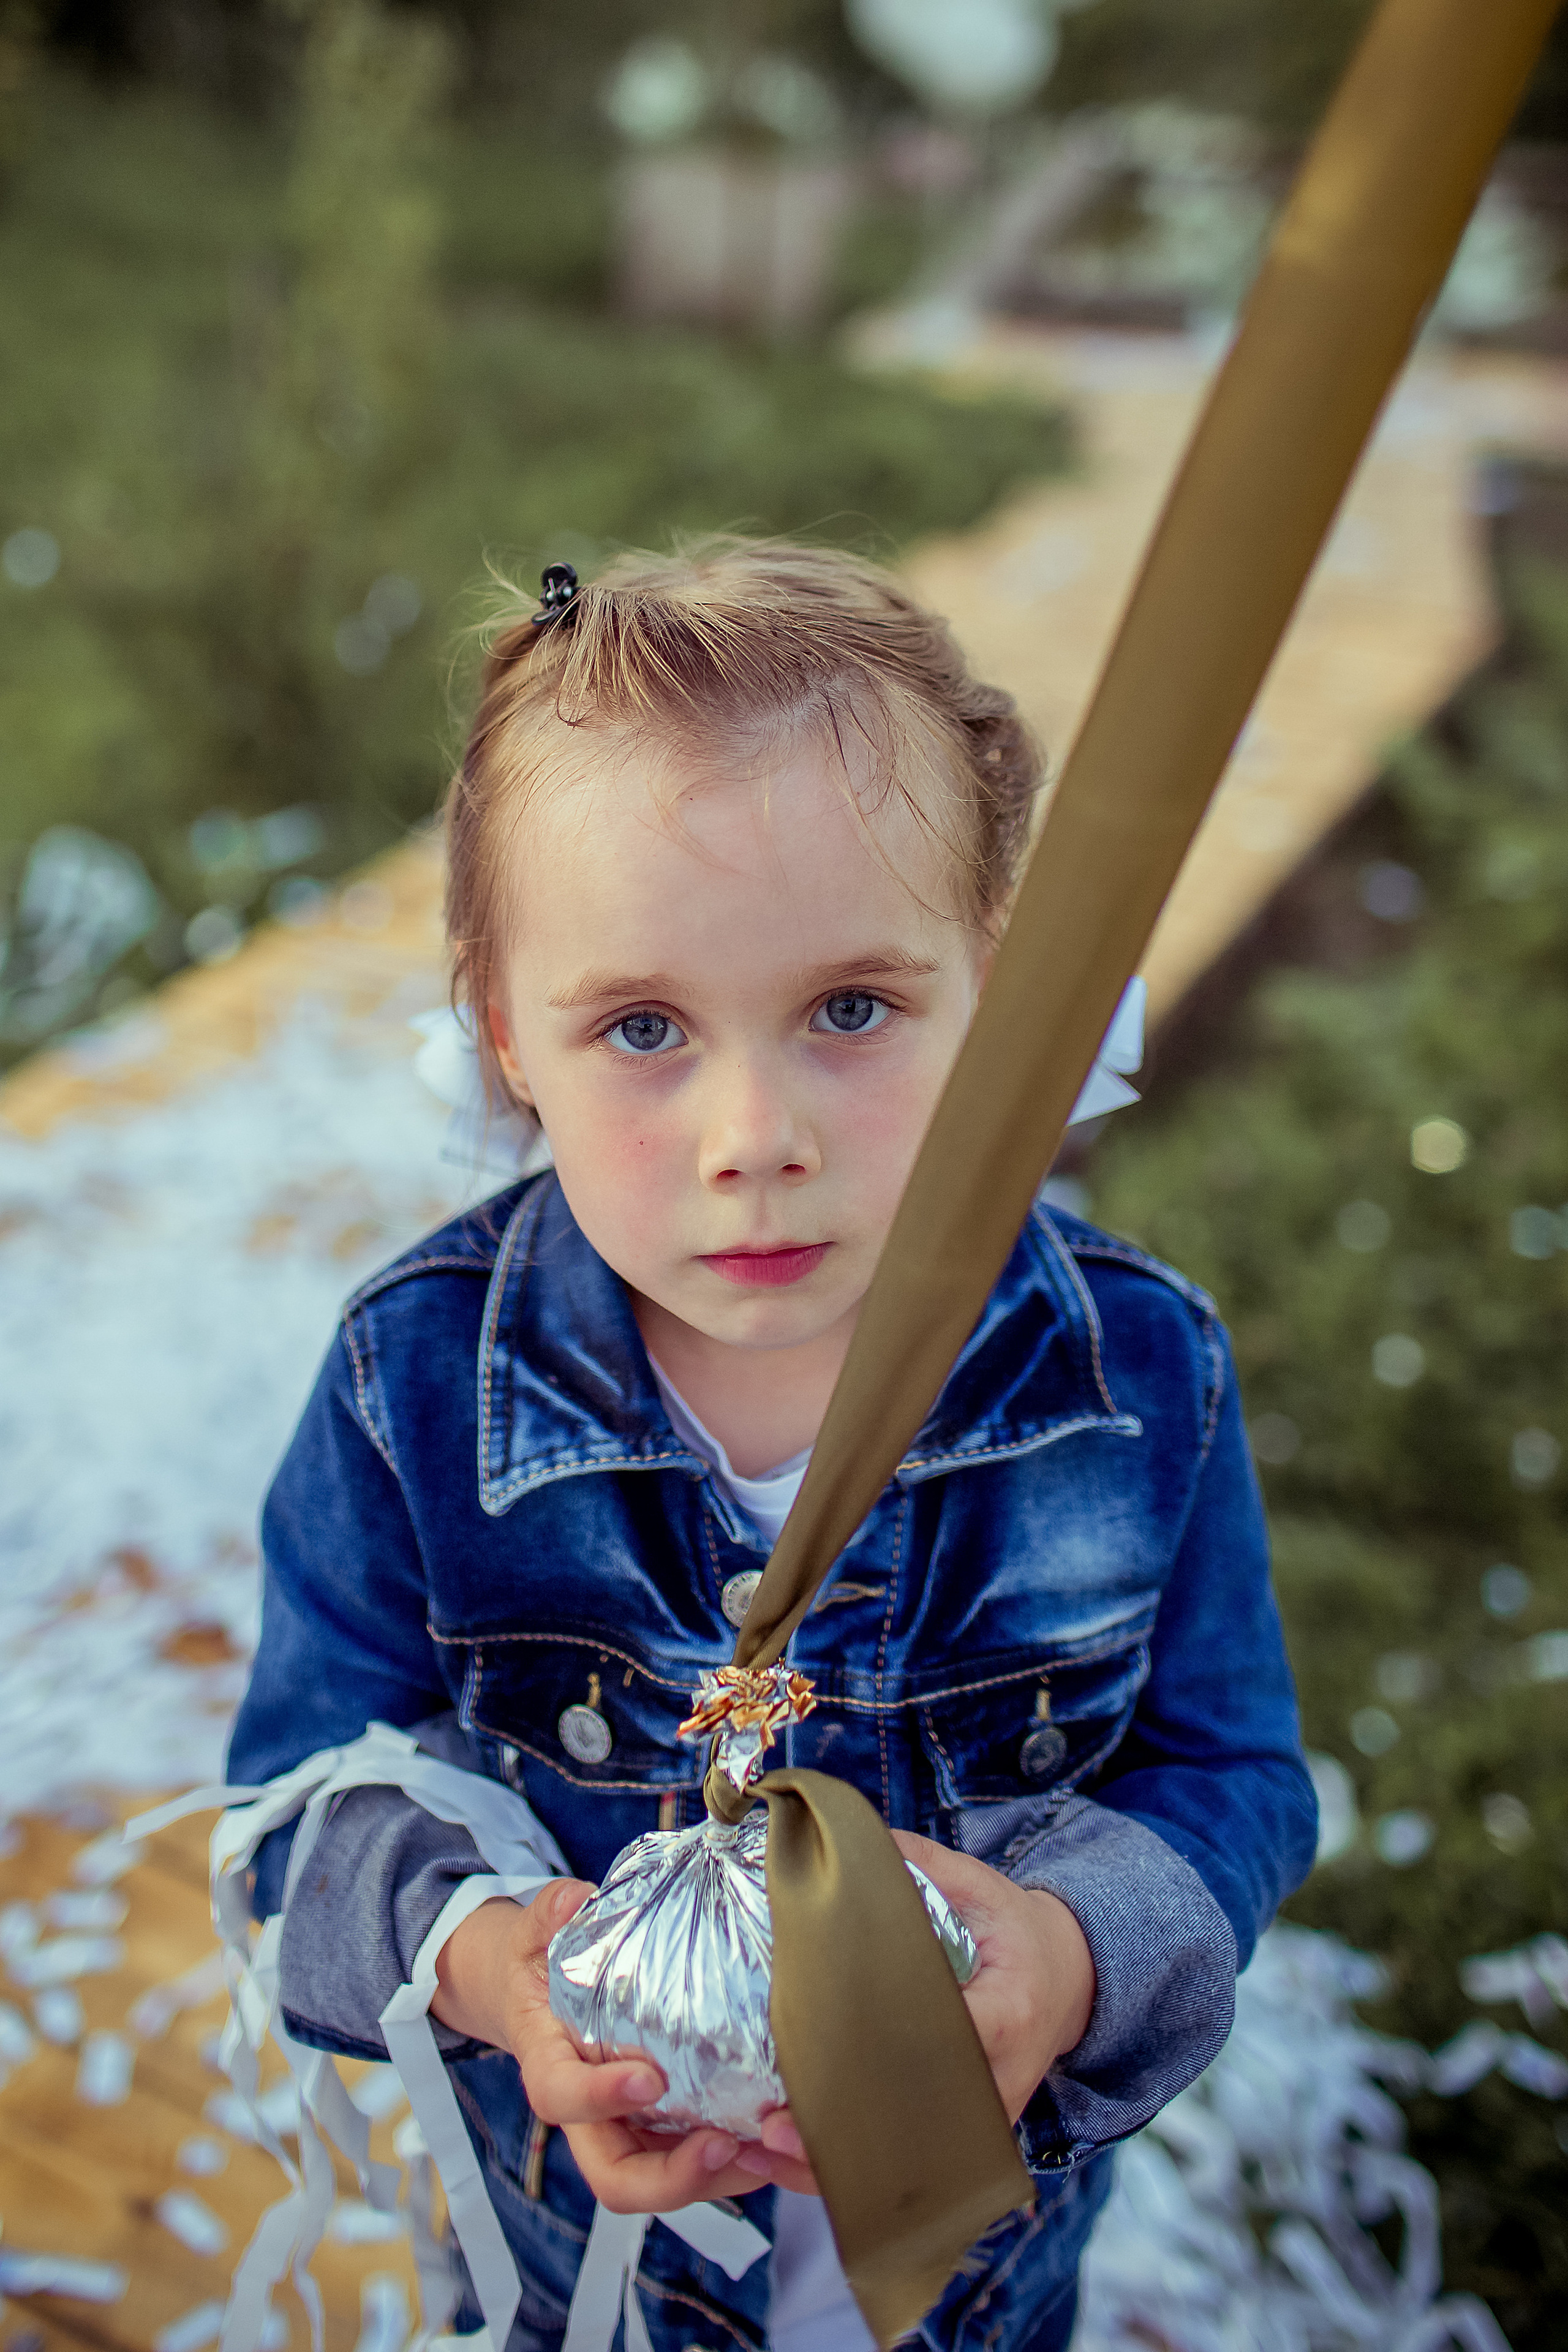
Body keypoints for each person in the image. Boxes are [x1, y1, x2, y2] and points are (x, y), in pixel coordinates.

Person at [228, 538, 1317, 2352]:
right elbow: (299, 1809)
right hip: (575, 2273)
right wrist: (506, 1979)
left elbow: (1235, 1773)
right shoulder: (411, 1388)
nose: (756, 1133)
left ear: (1001, 985)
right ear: (509, 1041)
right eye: (643, 1027)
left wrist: (1074, 1951)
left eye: (852, 1009)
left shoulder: (1138, 1376)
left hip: (983, 2279)